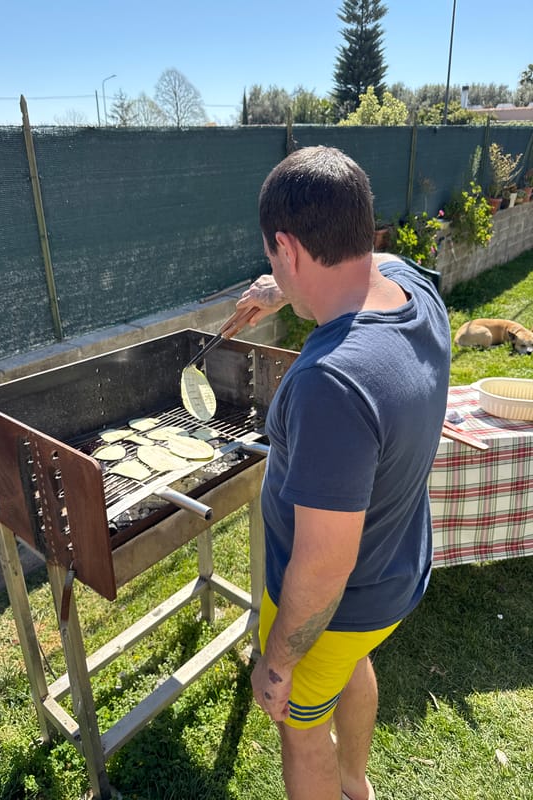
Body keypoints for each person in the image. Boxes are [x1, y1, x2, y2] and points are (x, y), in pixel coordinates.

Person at [227, 146, 451, 800]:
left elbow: (324, 567)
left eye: (274, 258)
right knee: (352, 664)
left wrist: (277, 662)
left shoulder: (331, 383)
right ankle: (357, 786)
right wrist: (281, 289)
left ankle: (341, 780)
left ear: (287, 247)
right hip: (393, 571)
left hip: (337, 603)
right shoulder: (415, 290)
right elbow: (375, 263)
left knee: (302, 733)